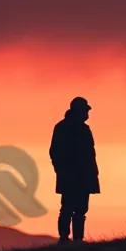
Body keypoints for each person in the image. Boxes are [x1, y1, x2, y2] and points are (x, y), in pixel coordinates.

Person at [49, 96, 100, 243]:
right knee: (68, 208)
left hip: (82, 176)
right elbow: (55, 152)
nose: (87, 113)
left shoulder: (82, 129)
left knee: (79, 210)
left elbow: (90, 154)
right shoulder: (63, 128)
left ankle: (76, 239)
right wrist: (62, 170)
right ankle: (65, 238)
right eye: (85, 110)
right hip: (72, 177)